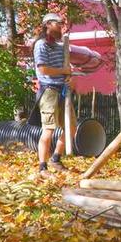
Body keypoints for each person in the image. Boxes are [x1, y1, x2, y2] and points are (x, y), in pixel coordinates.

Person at [32, 13, 71, 178]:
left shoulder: (61, 46)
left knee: (71, 128)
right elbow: (43, 69)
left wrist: (69, 75)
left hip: (63, 90)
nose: (61, 26)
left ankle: (56, 158)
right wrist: (63, 71)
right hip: (49, 91)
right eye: (58, 23)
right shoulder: (41, 45)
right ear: (48, 24)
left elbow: (66, 68)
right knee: (48, 130)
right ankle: (42, 167)